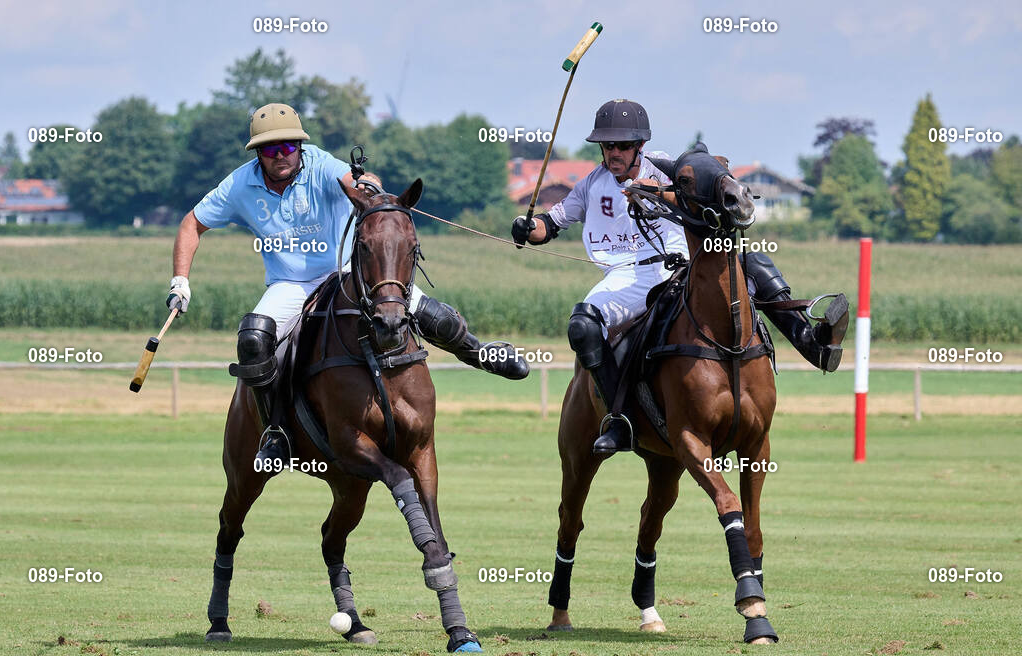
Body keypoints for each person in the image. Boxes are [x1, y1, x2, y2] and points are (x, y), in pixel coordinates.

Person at [167, 103, 529, 472]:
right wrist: (181, 280)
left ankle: (482, 353)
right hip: (291, 284)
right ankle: (275, 432)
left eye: (288, 147)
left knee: (431, 314)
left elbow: (354, 180)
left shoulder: (320, 163)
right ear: (258, 152)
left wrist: (368, 185)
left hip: (347, 275)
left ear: (300, 147)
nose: (281, 156)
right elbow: (191, 224)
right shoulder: (239, 186)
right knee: (254, 340)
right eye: (271, 149)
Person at [511, 99, 847, 455]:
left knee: (755, 263)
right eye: (608, 145)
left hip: (685, 266)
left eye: (623, 145)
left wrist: (655, 192)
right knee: (582, 326)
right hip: (625, 280)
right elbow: (551, 223)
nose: (614, 152)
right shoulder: (590, 185)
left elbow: (702, 191)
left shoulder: (664, 167)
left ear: (639, 145)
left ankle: (812, 341)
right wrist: (527, 226)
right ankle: (619, 420)